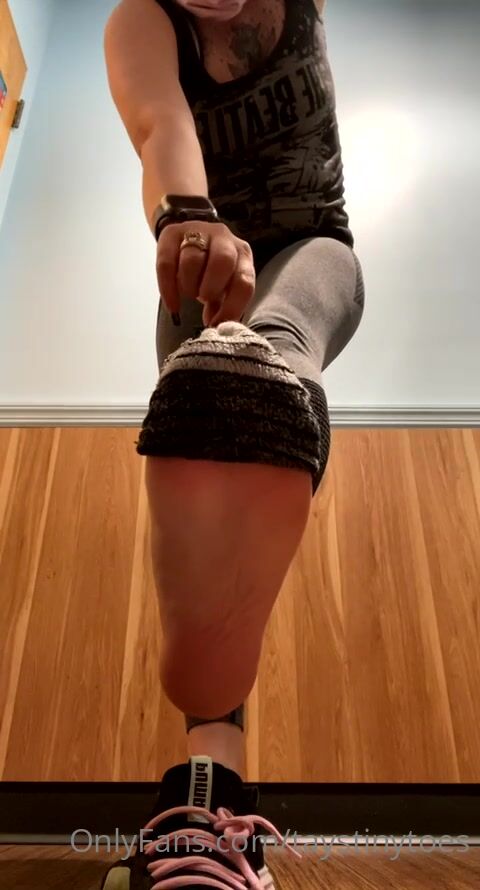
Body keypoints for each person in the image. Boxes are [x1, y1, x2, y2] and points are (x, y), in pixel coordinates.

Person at [102, 0, 365, 886]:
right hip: (198, 281)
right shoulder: (140, 21)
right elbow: (157, 121)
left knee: (275, 351)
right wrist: (186, 212)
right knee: (217, 505)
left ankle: (271, 376)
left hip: (314, 247)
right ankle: (212, 811)